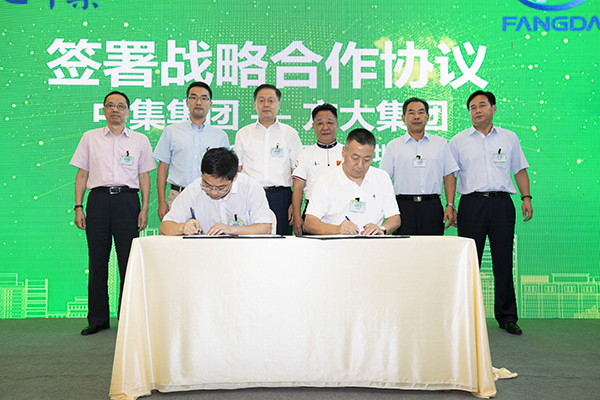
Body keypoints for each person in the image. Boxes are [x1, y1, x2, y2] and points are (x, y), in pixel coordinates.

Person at [71, 91, 155, 335]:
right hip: (97, 201)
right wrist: (78, 206)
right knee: (97, 260)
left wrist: (144, 208)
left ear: (128, 111)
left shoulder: (140, 140)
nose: (115, 109)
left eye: (120, 106)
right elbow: (82, 174)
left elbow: (144, 176)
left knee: (128, 261)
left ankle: (128, 318)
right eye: (110, 105)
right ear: (104, 110)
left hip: (127, 201)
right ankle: (98, 319)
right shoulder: (90, 137)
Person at [449, 90, 533, 335]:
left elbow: (519, 170)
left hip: (501, 204)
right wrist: (451, 205)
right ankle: (466, 317)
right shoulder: (458, 141)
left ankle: (507, 316)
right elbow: (450, 175)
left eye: (482, 105)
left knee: (503, 261)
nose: (477, 110)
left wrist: (526, 197)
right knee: (469, 263)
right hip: (471, 205)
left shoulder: (509, 138)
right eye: (472, 107)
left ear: (493, 108)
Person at [380, 97, 459, 235]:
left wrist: (450, 205)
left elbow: (449, 175)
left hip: (432, 206)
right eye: (411, 113)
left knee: (433, 246)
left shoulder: (440, 143)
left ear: (427, 117)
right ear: (403, 118)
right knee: (403, 247)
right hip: (403, 207)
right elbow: (383, 179)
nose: (416, 116)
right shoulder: (394, 146)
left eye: (421, 112)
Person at [153, 81, 230, 221]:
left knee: (210, 234)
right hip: (178, 195)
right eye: (193, 97)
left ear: (210, 104)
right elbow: (163, 168)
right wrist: (161, 201)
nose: (198, 102)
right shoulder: (171, 131)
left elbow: (225, 172)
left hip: (210, 197)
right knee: (176, 234)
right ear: (187, 102)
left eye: (204, 98)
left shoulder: (219, 136)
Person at [234, 84, 303, 235]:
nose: (266, 104)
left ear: (279, 104)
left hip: (281, 197)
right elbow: (238, 170)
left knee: (281, 241)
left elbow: (297, 173)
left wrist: (294, 204)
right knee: (250, 239)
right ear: (254, 104)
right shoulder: (243, 134)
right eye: (261, 100)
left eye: (271, 100)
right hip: (250, 196)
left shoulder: (290, 134)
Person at [304, 128, 401, 235]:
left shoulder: (382, 178)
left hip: (372, 243)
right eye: (355, 158)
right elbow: (309, 223)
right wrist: (337, 229)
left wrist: (382, 229)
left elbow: (395, 218)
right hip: (336, 243)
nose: (360, 165)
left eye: (366, 159)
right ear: (343, 151)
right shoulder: (325, 181)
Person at [159, 147, 272, 236]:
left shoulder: (250, 188)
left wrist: (232, 230)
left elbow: (265, 228)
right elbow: (164, 227)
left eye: (221, 188)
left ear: (234, 177)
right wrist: (182, 228)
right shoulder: (193, 190)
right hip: (206, 251)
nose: (213, 192)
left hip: (244, 250)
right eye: (207, 186)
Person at [291, 104, 343, 236]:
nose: (325, 127)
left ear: (336, 125)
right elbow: (298, 188)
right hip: (312, 211)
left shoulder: (346, 153)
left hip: (341, 210)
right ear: (313, 126)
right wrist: (297, 216)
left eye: (329, 123)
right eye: (320, 123)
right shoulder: (305, 154)